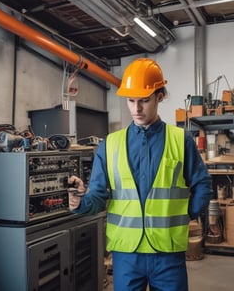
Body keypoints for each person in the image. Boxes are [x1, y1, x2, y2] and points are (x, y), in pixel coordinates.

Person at [68, 57, 211, 291]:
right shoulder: (110, 145)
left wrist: (187, 214)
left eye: (144, 100)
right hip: (127, 254)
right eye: (131, 101)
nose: (136, 109)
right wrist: (79, 203)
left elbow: (203, 183)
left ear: (160, 96)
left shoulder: (180, 139)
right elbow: (97, 196)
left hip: (168, 252)